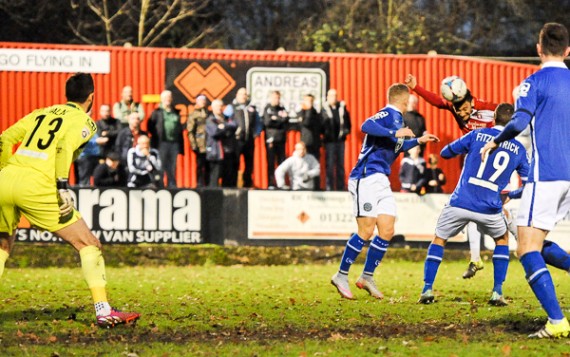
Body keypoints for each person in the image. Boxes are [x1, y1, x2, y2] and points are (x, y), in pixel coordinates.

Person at [0, 73, 140, 328]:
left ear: (66, 95)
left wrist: (6, 172)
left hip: (5, 179)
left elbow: (4, 139)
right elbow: (64, 146)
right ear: (91, 97)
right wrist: (63, 185)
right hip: (37, 184)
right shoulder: (85, 121)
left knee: (2, 246)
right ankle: (103, 310)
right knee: (89, 243)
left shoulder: (40, 113)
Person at [480, 23, 570, 338]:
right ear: (568, 51)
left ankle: (557, 322)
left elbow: (518, 121)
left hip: (545, 176)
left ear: (538, 48)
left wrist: (495, 141)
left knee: (526, 249)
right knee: (540, 242)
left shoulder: (531, 84)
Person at [330, 83, 439, 300]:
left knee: (387, 229)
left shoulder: (399, 120)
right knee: (366, 230)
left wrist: (418, 140)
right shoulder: (388, 114)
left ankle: (367, 276)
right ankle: (341, 275)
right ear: (404, 100)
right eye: (409, 99)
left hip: (381, 178)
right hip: (366, 176)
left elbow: (396, 147)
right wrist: (394, 131)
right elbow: (366, 125)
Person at [419, 103, 528, 308]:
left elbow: (444, 153)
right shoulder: (519, 149)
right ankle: (497, 292)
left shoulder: (477, 135)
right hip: (490, 207)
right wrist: (509, 194)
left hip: (461, 201)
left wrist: (465, 147)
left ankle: (427, 288)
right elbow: (528, 183)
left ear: (493, 118)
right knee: (502, 240)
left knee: (439, 239)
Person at [405, 73, 499, 277]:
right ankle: (475, 258)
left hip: (492, 163)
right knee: (472, 210)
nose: (460, 114)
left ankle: (533, 247)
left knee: (497, 211)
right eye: (456, 109)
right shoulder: (454, 106)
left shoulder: (487, 108)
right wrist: (416, 87)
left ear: (472, 103)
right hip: (474, 162)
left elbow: (509, 115)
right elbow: (438, 102)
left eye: (464, 110)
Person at [224, 88, 262, 188]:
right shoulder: (231, 107)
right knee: (235, 162)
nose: (244, 96)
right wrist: (233, 130)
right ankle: (233, 184)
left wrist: (256, 133)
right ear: (237, 95)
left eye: (245, 95)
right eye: (242, 94)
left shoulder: (252, 107)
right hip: (236, 140)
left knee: (249, 163)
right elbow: (224, 121)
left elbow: (258, 122)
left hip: (249, 139)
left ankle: (247, 184)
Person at [147, 90, 184, 188]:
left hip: (174, 143)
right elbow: (150, 126)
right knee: (161, 164)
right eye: (166, 97)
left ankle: (172, 185)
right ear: (162, 99)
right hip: (161, 143)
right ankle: (160, 185)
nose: (168, 99)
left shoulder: (175, 112)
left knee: (172, 166)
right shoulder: (157, 112)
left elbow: (179, 128)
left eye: (169, 97)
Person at [321, 89, 351, 191]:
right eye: (331, 96)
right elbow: (321, 125)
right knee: (329, 165)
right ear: (327, 97)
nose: (333, 98)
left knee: (340, 165)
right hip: (329, 141)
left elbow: (348, 122)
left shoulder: (341, 108)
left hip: (340, 141)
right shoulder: (324, 109)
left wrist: (346, 132)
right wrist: (325, 135)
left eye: (335, 96)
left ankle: (340, 187)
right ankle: (329, 187)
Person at [205, 99, 237, 187]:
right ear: (212, 108)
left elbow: (234, 126)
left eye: (220, 106)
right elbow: (215, 132)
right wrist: (225, 129)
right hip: (216, 152)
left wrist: (223, 126)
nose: (219, 108)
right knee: (215, 176)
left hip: (227, 151)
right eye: (217, 106)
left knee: (227, 176)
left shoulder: (227, 119)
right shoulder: (210, 120)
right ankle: (213, 198)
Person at [263, 90, 289, 188]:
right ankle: (271, 183)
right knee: (271, 162)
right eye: (274, 97)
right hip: (271, 139)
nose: (276, 100)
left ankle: (281, 183)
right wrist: (280, 120)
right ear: (270, 98)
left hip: (281, 139)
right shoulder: (268, 108)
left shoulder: (282, 108)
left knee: (281, 162)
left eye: (278, 98)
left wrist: (277, 119)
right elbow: (268, 122)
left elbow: (286, 121)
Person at [297, 94, 322, 189]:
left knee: (315, 165)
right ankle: (303, 186)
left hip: (315, 143)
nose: (309, 103)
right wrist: (308, 110)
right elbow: (306, 123)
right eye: (307, 101)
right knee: (304, 166)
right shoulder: (301, 112)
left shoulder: (316, 113)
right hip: (305, 144)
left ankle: (316, 186)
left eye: (311, 101)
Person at [187, 95, 210, 187]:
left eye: (204, 101)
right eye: (201, 101)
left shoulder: (209, 114)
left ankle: (208, 183)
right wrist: (193, 144)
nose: (203, 102)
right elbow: (190, 131)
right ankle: (199, 183)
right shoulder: (194, 115)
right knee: (200, 165)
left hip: (210, 143)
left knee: (209, 165)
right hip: (200, 143)